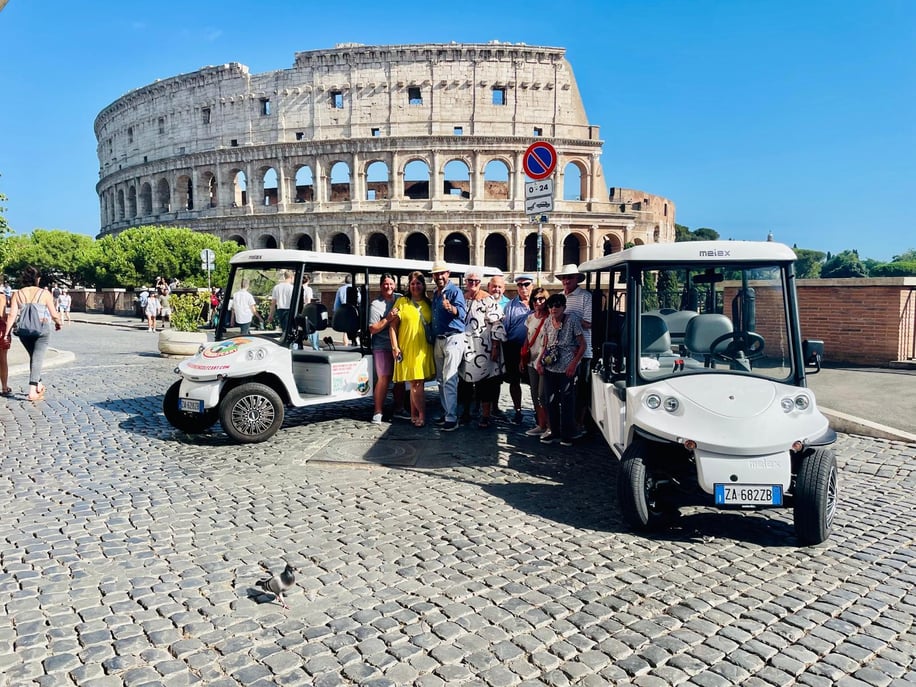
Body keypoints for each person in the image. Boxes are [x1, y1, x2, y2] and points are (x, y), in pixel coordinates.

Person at [4, 265, 63, 402]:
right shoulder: (45, 293)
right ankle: (32, 391)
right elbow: (54, 314)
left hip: (24, 331)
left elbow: (12, 315)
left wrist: (7, 333)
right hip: (42, 329)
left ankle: (39, 384)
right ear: (38, 279)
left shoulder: (17, 294)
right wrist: (58, 323)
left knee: (34, 357)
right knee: (37, 358)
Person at [536, 293, 586, 447]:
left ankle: (568, 433)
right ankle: (553, 431)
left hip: (566, 367)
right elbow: (545, 344)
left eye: (557, 305)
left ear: (563, 306)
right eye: (551, 306)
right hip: (551, 365)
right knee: (549, 400)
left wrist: (574, 364)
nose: (553, 309)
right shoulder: (547, 322)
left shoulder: (572, 320)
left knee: (567, 401)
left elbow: (582, 345)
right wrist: (539, 361)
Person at [459, 268, 506, 428]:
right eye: (470, 281)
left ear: (480, 282)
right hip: (465, 347)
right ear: (465, 282)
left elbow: (497, 324)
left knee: (485, 383)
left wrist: (495, 346)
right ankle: (465, 412)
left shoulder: (488, 299)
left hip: (484, 348)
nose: (473, 284)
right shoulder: (461, 298)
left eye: (476, 281)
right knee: (464, 383)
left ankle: (485, 416)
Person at [390, 271, 435, 428]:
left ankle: (416, 414)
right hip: (407, 347)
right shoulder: (402, 302)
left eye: (418, 283)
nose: (415, 286)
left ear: (423, 286)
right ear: (409, 286)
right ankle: (419, 415)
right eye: (413, 283)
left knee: (417, 383)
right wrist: (395, 347)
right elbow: (393, 326)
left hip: (423, 349)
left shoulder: (429, 304)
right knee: (414, 383)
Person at [555, 263, 593, 438]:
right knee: (565, 390)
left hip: (583, 351)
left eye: (569, 277)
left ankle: (579, 422)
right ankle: (566, 422)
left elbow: (589, 323)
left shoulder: (585, 296)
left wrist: (569, 319)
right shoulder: (560, 297)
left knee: (581, 389)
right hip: (563, 352)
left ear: (577, 279)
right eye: (564, 277)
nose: (566, 280)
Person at [430, 261, 467, 432]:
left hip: (453, 338)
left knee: (450, 378)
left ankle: (452, 418)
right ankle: (447, 413)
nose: (439, 277)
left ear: (448, 273)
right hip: (439, 339)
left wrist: (451, 308)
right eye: (436, 274)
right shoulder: (436, 293)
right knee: (440, 379)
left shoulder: (454, 291)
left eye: (442, 274)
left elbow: (462, 313)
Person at [367, 273, 405, 424]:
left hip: (400, 345)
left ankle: (399, 408)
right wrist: (388, 318)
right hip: (382, 345)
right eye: (385, 284)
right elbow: (373, 329)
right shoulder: (376, 304)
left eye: (391, 284)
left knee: (400, 379)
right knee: (384, 377)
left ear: (395, 285)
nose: (388, 287)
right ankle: (378, 411)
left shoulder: (400, 299)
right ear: (381, 286)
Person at [498, 273, 533, 424]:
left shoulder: (539, 302)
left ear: (532, 285)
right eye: (520, 285)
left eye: (526, 284)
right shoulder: (510, 306)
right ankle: (518, 410)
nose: (523, 288)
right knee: (514, 381)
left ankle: (538, 411)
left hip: (534, 348)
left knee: (534, 382)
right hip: (514, 347)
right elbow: (505, 329)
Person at [522, 287, 550, 436]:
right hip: (531, 361)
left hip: (544, 361)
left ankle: (549, 426)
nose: (537, 302)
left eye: (541, 299)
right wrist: (523, 357)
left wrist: (541, 359)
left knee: (542, 395)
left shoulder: (549, 319)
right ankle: (541, 424)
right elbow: (527, 338)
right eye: (535, 299)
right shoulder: (531, 317)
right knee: (534, 394)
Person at [334, 275, 360, 345]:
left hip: (343, 311)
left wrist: (336, 313)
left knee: (345, 331)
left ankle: (345, 345)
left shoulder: (340, 289)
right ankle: (355, 342)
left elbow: (337, 303)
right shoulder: (356, 289)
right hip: (353, 312)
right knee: (354, 329)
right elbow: (359, 300)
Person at [301, 275, 319, 350]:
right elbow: (308, 301)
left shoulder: (298, 288)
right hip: (306, 310)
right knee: (313, 328)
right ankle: (315, 346)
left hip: (299, 310)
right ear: (308, 280)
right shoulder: (308, 289)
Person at [0, 287, 10, 397]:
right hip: (0, 328)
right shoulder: (1, 297)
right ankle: (4, 387)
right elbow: (1, 315)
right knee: (2, 359)